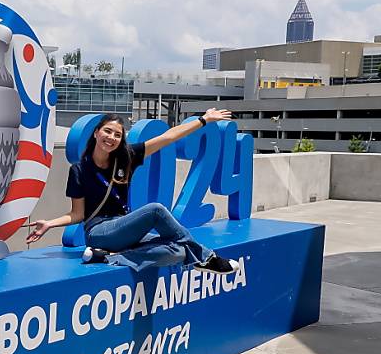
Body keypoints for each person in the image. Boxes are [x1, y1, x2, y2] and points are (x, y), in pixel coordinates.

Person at [26, 109, 240, 274]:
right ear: (96, 133)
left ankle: (110, 257)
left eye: (117, 135)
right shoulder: (79, 170)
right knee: (156, 210)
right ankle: (207, 257)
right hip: (99, 231)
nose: (111, 137)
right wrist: (49, 224)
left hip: (123, 228)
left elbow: (167, 138)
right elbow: (78, 214)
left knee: (180, 251)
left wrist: (203, 120)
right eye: (107, 131)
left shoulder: (126, 157)